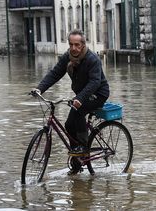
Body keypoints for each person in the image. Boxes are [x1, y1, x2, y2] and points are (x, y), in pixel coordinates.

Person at [32, 29, 109, 175]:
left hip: (98, 94)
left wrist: (80, 98)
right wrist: (39, 89)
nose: (73, 48)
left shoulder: (92, 59)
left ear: (83, 45)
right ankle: (77, 160)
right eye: (71, 44)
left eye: (77, 45)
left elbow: (95, 82)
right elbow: (55, 73)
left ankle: (83, 148)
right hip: (81, 94)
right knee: (68, 124)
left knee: (79, 112)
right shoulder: (68, 57)